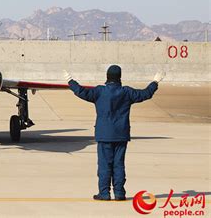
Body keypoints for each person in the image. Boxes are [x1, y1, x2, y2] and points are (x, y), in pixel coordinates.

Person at [63, 65, 165, 201]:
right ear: (120, 77)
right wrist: (155, 82)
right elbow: (145, 94)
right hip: (121, 134)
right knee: (119, 164)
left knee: (105, 165)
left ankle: (104, 193)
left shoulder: (99, 91)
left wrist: (70, 80)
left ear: (107, 76)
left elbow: (81, 92)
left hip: (104, 134)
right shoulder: (126, 92)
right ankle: (119, 193)